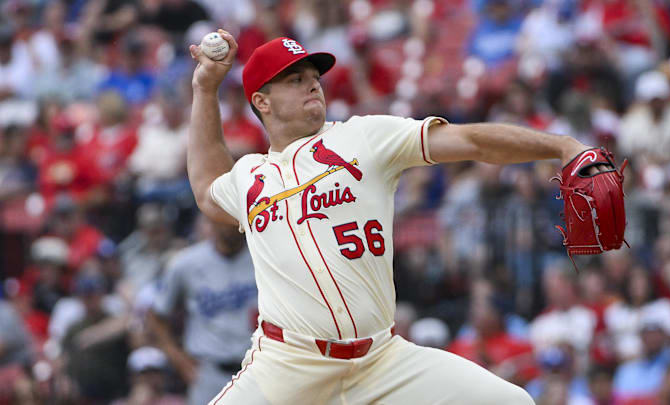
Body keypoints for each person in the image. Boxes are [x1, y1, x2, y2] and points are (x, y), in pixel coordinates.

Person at [187, 31, 599, 404]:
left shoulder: (363, 137)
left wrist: (560, 145)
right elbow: (207, 190)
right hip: (289, 365)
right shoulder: (250, 176)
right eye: (294, 79)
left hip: (381, 361)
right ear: (262, 101)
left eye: (314, 75)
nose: (312, 82)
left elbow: (470, 140)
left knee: (511, 403)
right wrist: (205, 88)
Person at [147, 218, 257, 405]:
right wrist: (178, 358)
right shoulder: (186, 264)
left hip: (258, 366)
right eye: (223, 219)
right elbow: (156, 314)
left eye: (233, 220)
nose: (229, 226)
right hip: (210, 372)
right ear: (210, 222)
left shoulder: (262, 257)